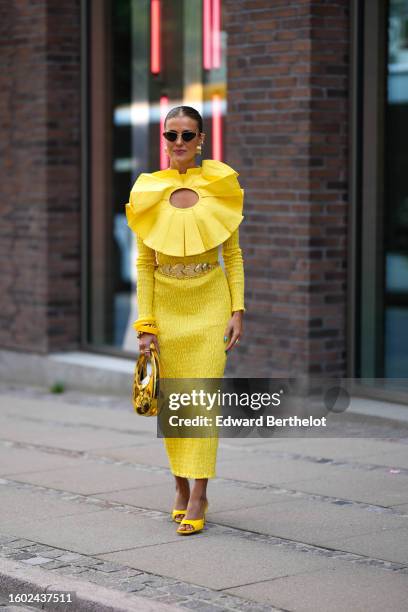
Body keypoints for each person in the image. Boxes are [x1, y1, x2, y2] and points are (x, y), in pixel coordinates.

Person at [125, 105, 245, 534]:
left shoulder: (219, 185)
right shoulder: (148, 191)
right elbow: (143, 265)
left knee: (201, 404)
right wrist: (146, 325)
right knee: (174, 404)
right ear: (164, 139)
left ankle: (199, 493)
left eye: (187, 135)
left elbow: (231, 256)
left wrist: (237, 310)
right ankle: (179, 484)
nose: (179, 143)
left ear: (201, 140)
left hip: (210, 304)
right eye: (171, 135)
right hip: (167, 308)